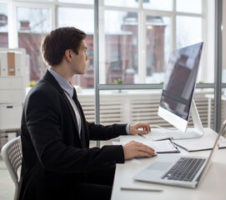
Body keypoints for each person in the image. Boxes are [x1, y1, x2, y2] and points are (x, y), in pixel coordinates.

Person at [19, 27, 155, 200]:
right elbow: (53, 156)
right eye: (84, 50)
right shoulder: (42, 96)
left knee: (131, 175)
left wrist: (127, 128)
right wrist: (120, 152)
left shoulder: (63, 89)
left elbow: (84, 129)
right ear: (69, 55)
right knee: (127, 193)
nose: (87, 56)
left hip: (70, 174)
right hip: (53, 188)